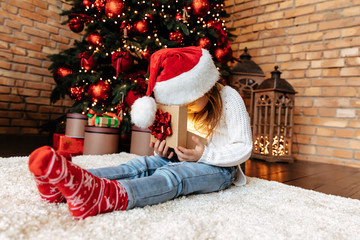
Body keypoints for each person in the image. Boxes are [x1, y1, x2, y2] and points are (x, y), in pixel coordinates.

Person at [28, 46, 253, 220]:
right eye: (180, 101)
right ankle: (65, 185)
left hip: (221, 169)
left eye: (190, 98)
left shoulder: (229, 98)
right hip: (187, 156)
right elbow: (175, 140)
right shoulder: (183, 106)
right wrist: (164, 151)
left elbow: (244, 148)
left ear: (204, 85)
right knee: (140, 165)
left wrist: (204, 156)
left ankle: (106, 196)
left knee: (174, 177)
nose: (186, 105)